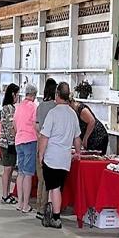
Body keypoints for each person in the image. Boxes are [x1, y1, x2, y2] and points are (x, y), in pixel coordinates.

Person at [37, 81, 82, 228]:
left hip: (52, 158)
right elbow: (77, 138)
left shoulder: (53, 113)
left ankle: (56, 217)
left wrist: (41, 154)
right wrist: (78, 152)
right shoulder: (72, 114)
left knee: (54, 187)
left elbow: (44, 137)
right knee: (55, 187)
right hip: (65, 159)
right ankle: (49, 213)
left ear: (57, 95)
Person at [13, 83, 40, 215]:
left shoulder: (18, 107)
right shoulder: (34, 107)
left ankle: (19, 203)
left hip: (19, 140)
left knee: (21, 172)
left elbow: (14, 124)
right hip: (30, 140)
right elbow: (36, 125)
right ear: (34, 95)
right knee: (28, 174)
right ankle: (25, 204)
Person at [32, 79, 58, 204]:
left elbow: (36, 126)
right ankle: (46, 207)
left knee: (41, 178)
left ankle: (39, 206)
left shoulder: (40, 106)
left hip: (40, 143)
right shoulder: (56, 107)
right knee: (49, 180)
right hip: (52, 146)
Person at [0, 83, 19, 203]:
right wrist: (15, 139)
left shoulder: (7, 107)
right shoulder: (9, 108)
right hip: (8, 143)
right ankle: (4, 195)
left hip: (8, 142)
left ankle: (7, 193)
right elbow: (10, 127)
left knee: (10, 169)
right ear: (13, 94)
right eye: (17, 94)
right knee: (7, 169)